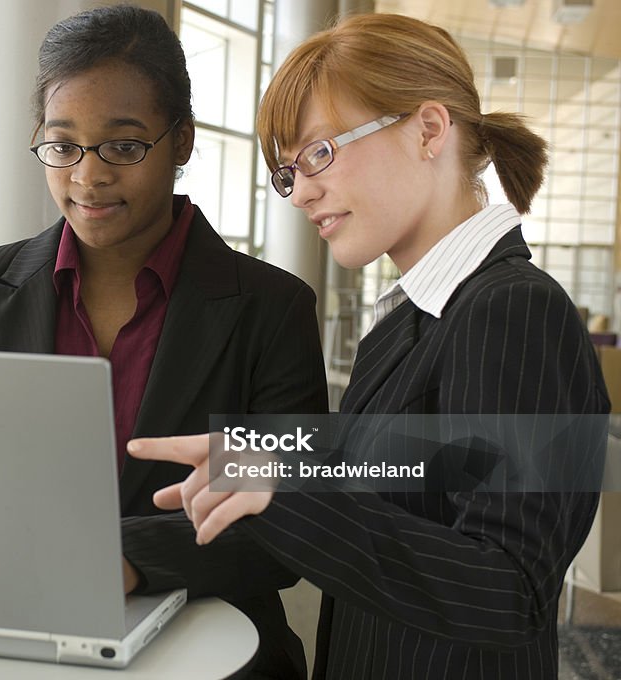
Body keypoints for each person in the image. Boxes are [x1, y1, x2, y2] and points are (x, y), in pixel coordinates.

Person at [127, 12, 609, 680]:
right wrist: (251, 470)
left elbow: (510, 590)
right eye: (287, 171)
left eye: (319, 153)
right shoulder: (410, 322)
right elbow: (386, 476)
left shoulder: (514, 312)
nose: (299, 192)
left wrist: (285, 492)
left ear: (430, 129)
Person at [0, 6, 328, 679]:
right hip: (15, 639)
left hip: (210, 654)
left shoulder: (271, 310)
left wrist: (126, 560)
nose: (88, 176)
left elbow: (282, 525)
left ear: (182, 141)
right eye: (63, 145)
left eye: (123, 145)